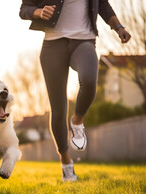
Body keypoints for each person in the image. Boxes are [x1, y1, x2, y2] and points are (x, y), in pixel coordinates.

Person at [19, 0, 131, 182]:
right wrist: (38, 12)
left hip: (84, 41)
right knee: (58, 110)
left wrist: (118, 27)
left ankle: (77, 121)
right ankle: (66, 163)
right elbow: (24, 9)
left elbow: (103, 5)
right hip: (52, 46)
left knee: (88, 79)